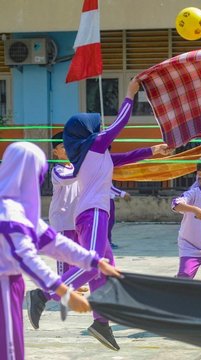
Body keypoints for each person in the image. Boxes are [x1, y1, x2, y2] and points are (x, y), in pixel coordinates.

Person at [27, 77, 172, 351]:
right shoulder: (93, 148)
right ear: (89, 133)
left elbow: (126, 157)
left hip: (94, 215)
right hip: (92, 214)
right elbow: (120, 125)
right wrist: (130, 94)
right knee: (93, 265)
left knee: (103, 270)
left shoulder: (97, 155)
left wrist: (154, 150)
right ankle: (43, 294)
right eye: (98, 127)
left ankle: (101, 322)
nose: (103, 129)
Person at [0, 142, 120, 360]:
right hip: (3, 287)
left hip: (11, 284)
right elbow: (26, 258)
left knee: (13, 348)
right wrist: (63, 293)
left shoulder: (20, 211)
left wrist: (93, 261)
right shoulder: (8, 213)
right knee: (8, 349)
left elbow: (53, 243)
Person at [49, 132, 79, 276]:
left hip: (75, 219)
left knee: (74, 253)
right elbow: (67, 179)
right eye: (63, 146)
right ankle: (62, 286)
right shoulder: (57, 170)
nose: (67, 149)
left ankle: (73, 282)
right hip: (61, 219)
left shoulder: (75, 168)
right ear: (55, 152)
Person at [108, 185, 131, 249]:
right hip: (106, 200)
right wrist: (122, 194)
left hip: (107, 199)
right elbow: (108, 186)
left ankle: (107, 242)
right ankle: (107, 243)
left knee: (109, 222)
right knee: (109, 222)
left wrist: (114, 196)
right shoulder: (104, 174)